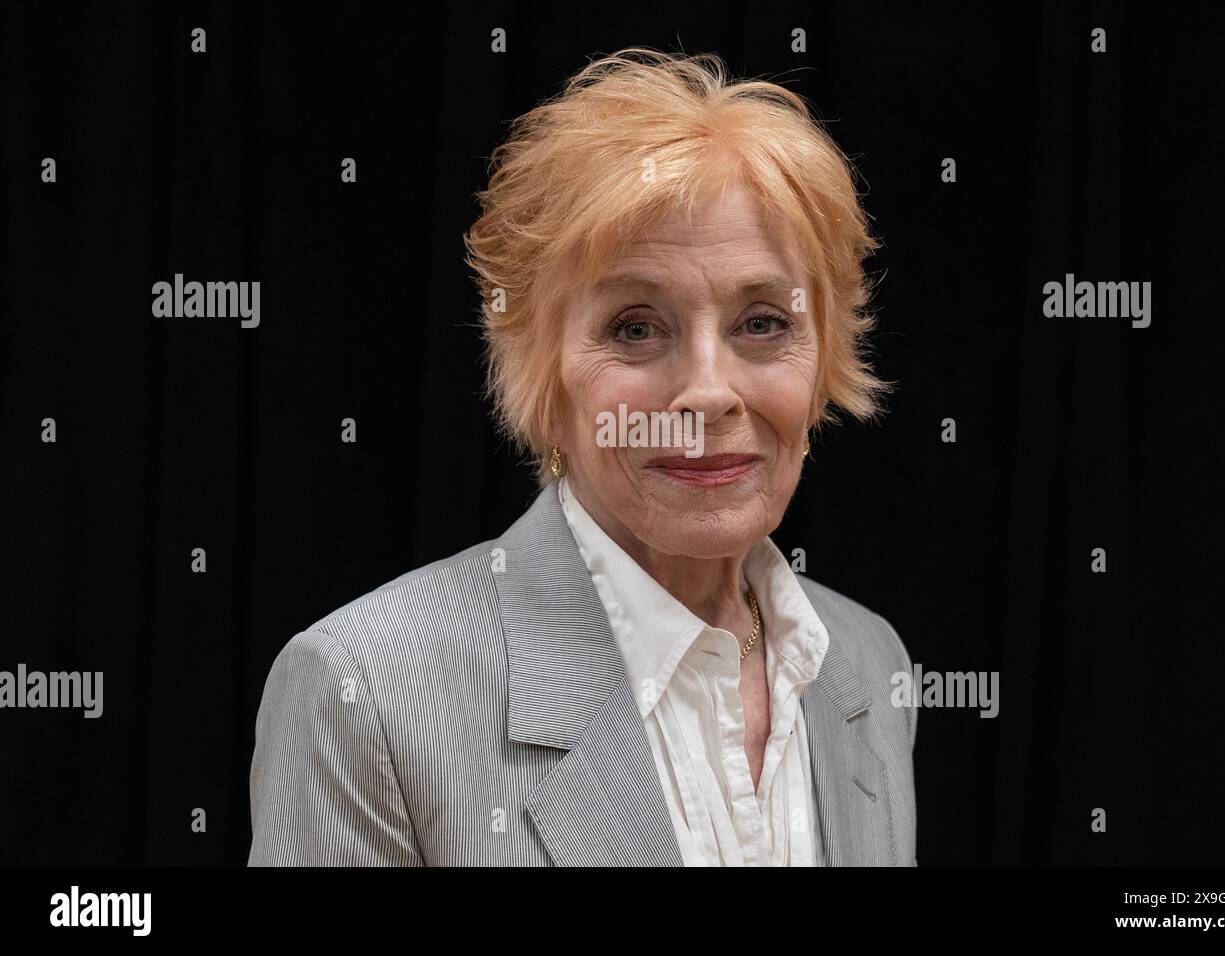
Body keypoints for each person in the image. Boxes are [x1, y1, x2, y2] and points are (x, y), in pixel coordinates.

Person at [249, 46, 916, 866]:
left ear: (825, 363)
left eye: (763, 323)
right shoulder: (366, 692)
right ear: (542, 375)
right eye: (636, 327)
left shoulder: (866, 662)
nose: (708, 394)